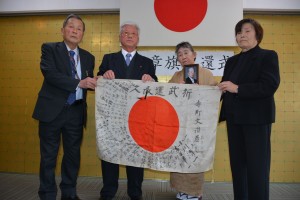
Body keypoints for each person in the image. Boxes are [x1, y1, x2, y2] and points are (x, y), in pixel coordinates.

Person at [32, 14, 97, 200]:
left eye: (79, 28)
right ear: (62, 30)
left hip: (76, 112)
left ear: (83, 34)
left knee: (72, 157)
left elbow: (87, 82)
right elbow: (50, 74)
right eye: (71, 27)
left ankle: (69, 193)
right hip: (51, 111)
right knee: (48, 157)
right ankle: (47, 194)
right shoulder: (50, 48)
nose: (75, 31)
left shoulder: (88, 57)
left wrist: (98, 83)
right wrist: (80, 82)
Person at [218, 18, 280, 200]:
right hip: (234, 120)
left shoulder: (268, 56)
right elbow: (225, 87)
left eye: (247, 31)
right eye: (239, 32)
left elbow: (269, 85)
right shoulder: (232, 61)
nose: (242, 35)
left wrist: (237, 88)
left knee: (257, 168)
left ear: (257, 35)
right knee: (238, 168)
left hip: (256, 120)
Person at [97, 22, 158, 200]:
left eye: (133, 34)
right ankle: (108, 192)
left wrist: (151, 79)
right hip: (112, 117)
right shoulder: (109, 59)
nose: (129, 36)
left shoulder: (147, 62)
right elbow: (98, 79)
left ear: (138, 39)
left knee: (136, 155)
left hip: (138, 118)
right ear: (120, 37)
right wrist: (104, 75)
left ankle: (135, 192)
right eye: (125, 33)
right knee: (110, 154)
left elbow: (153, 89)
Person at [168, 41, 217, 200]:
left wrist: (200, 90)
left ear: (194, 54)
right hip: (180, 124)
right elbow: (168, 98)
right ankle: (182, 190)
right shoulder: (176, 76)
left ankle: (195, 192)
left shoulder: (207, 74)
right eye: (180, 55)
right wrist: (177, 90)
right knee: (180, 156)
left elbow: (216, 96)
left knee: (195, 157)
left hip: (199, 124)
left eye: (186, 53)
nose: (183, 57)